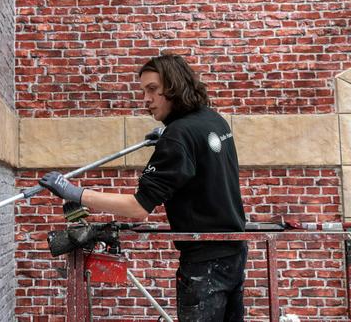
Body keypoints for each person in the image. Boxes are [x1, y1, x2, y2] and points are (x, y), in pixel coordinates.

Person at [39, 54, 247, 321]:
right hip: (234, 251)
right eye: (143, 91)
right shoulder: (213, 120)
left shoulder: (179, 135)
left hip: (204, 260)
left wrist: (74, 192)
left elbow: (138, 209)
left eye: (152, 89)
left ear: (173, 87)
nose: (145, 99)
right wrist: (171, 132)